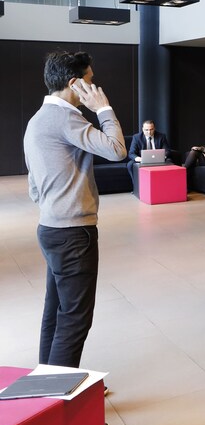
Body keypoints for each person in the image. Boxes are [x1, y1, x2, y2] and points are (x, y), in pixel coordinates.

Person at [23, 51, 127, 368]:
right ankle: (60, 405)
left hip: (52, 228)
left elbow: (33, 186)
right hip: (72, 233)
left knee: (57, 313)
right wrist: (104, 109)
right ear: (75, 82)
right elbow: (116, 150)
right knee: (75, 321)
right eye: (91, 81)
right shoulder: (66, 117)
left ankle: (49, 386)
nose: (94, 87)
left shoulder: (38, 119)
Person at [126, 119, 172, 186]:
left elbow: (167, 150)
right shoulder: (136, 137)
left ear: (154, 128)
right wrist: (137, 158)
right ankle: (137, 187)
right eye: (146, 130)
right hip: (142, 160)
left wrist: (163, 156)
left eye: (151, 129)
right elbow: (131, 153)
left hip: (158, 160)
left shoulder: (161, 136)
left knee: (170, 161)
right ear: (142, 129)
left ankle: (167, 185)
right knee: (130, 164)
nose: (149, 132)